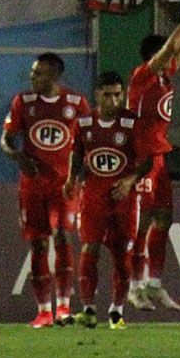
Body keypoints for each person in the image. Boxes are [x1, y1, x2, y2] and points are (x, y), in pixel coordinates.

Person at [127, 0, 180, 311]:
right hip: (140, 158)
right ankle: (134, 285)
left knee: (163, 217)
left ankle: (155, 283)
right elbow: (174, 44)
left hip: (160, 158)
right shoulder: (142, 76)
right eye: (164, 54)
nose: (171, 58)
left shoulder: (165, 75)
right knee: (141, 223)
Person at [0, 53, 90, 328]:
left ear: (54, 75)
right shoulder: (23, 102)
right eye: (33, 72)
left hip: (65, 184)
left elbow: (90, 140)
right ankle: (43, 311)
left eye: (38, 73)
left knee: (63, 237)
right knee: (38, 243)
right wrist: (17, 156)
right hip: (34, 184)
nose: (32, 77)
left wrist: (81, 175)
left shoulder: (76, 104)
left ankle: (63, 306)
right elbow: (5, 140)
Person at [65, 72, 153, 330]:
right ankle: (89, 308)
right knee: (89, 248)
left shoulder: (130, 123)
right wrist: (71, 178)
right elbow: (78, 152)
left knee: (120, 253)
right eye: (107, 94)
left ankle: (116, 311)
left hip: (123, 199)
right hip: (93, 196)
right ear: (97, 95)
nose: (114, 99)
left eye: (118, 94)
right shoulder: (84, 123)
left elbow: (147, 160)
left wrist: (129, 181)